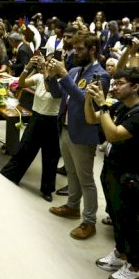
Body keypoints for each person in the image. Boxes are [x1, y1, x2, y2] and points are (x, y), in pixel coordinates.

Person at [86, 67, 139, 279]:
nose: (114, 87)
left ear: (135, 87)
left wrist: (103, 104)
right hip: (113, 169)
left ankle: (135, 268)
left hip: (132, 177)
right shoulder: (119, 106)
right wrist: (90, 99)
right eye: (114, 83)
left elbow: (113, 135)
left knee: (130, 222)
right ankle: (120, 252)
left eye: (119, 83)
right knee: (116, 215)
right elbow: (91, 119)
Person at [47, 32, 110, 240]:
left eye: (81, 48)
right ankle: (73, 207)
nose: (76, 52)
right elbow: (58, 95)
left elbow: (88, 102)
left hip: (83, 133)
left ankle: (89, 221)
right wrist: (51, 76)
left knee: (86, 179)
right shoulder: (74, 70)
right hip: (65, 128)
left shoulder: (101, 75)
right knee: (71, 174)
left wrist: (63, 75)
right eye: (75, 48)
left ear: (93, 50)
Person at [0, 54, 62, 201]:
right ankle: (11, 175)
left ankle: (47, 189)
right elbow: (20, 84)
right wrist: (27, 67)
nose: (47, 65)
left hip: (52, 121)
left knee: (50, 157)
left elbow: (52, 90)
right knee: (25, 149)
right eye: (47, 63)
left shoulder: (60, 82)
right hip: (37, 118)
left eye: (51, 63)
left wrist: (47, 72)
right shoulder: (39, 78)